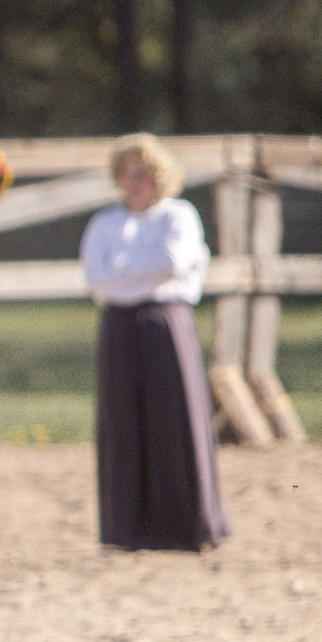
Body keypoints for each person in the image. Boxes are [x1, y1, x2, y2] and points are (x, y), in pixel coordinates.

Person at [78, 133, 233, 552]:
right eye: (128, 175)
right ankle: (127, 528)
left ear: (158, 177)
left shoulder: (178, 216)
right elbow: (96, 277)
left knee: (176, 420)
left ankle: (187, 525)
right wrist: (135, 273)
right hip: (118, 325)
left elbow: (172, 263)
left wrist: (123, 268)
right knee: (122, 425)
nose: (135, 183)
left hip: (166, 323)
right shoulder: (106, 223)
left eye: (143, 175)